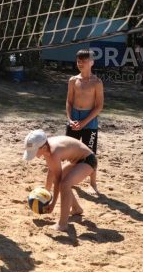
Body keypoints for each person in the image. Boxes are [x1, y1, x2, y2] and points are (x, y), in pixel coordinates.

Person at [23, 130, 97, 232]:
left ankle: (62, 224)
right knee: (63, 182)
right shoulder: (47, 147)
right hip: (77, 161)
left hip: (88, 161)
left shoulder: (53, 152)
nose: (34, 155)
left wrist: (52, 203)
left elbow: (58, 180)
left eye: (34, 151)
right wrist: (46, 192)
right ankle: (76, 209)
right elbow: (51, 172)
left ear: (43, 147)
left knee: (64, 184)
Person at [66, 49, 103, 194]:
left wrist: (84, 122)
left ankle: (93, 183)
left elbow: (99, 106)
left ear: (92, 62)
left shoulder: (97, 82)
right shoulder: (73, 80)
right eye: (78, 61)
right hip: (74, 117)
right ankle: (69, 178)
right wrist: (70, 120)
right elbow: (69, 102)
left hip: (90, 120)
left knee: (90, 154)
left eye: (84, 60)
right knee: (70, 152)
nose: (81, 63)